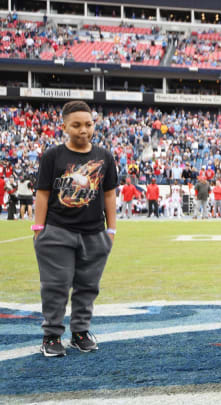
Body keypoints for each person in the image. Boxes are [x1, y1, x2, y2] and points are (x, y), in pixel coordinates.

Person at [33, 100, 118, 357]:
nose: (83, 130)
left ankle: (80, 332)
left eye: (88, 124)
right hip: (57, 230)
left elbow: (109, 194)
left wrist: (111, 230)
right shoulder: (53, 156)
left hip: (94, 232)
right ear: (64, 127)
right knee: (56, 286)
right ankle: (51, 335)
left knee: (88, 286)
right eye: (76, 125)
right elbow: (42, 193)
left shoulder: (104, 156)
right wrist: (39, 228)